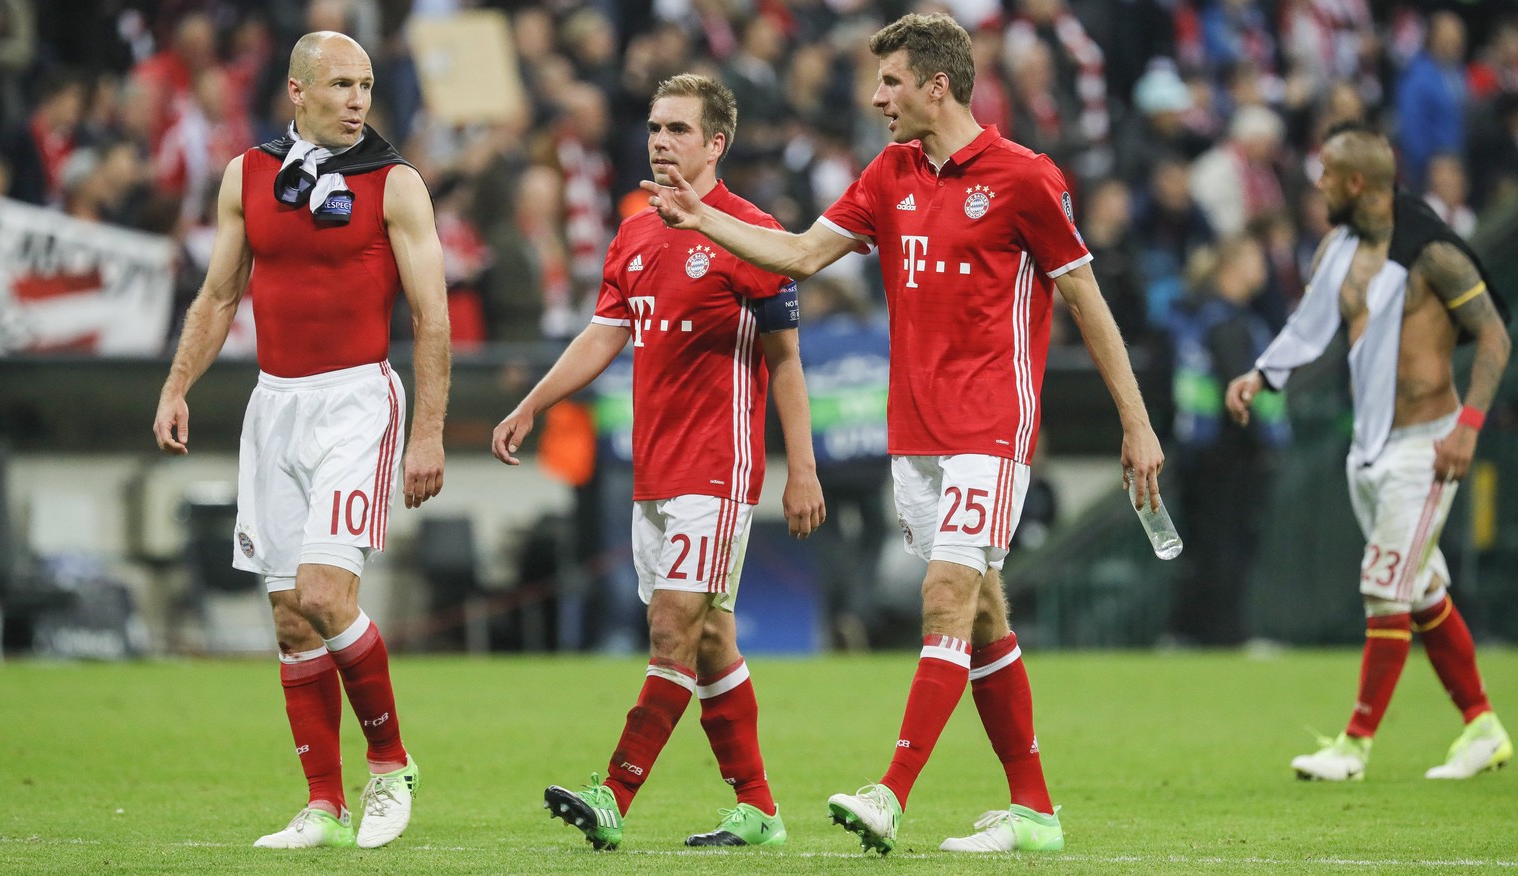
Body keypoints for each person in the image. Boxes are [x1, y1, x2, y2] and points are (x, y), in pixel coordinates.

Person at [642, 12, 1164, 855]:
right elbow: (803, 254)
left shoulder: (1028, 179)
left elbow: (1086, 302)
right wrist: (700, 219)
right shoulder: (890, 173)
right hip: (914, 432)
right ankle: (1033, 809)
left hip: (991, 425)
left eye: (889, 82)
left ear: (937, 85)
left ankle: (891, 793)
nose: (876, 97)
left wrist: (1135, 423)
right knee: (984, 613)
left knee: (945, 599)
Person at [492, 73, 825, 851]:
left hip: (719, 465)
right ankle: (758, 809)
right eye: (654, 127)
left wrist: (800, 467)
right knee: (710, 642)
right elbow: (603, 334)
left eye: (679, 129)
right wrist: (534, 402)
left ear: (717, 144)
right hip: (655, 470)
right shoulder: (636, 232)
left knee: (672, 627)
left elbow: (786, 360)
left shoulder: (750, 232)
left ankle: (613, 794)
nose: (661, 141)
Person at [152, 31, 449, 849]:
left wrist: (428, 432)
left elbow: (432, 317)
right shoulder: (247, 175)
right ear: (297, 90)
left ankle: (390, 765)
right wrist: (178, 386)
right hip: (274, 405)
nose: (358, 99)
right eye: (342, 85)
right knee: (289, 618)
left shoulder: (396, 183)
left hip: (357, 401)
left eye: (366, 85)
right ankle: (323, 804)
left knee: (325, 595)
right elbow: (218, 295)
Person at [1226, 122, 1512, 782]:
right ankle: (1483, 727)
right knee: (1420, 589)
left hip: (1428, 446)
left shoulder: (1432, 251)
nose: (1318, 184)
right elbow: (1311, 325)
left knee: (1385, 587)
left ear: (1358, 184)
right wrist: (1263, 373)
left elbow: (1494, 336)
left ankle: (1353, 747)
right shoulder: (1338, 247)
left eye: (1327, 174)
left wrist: (1468, 426)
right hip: (1370, 446)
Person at [1166, 235, 1287, 646]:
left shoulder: (1196, 315)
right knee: (1228, 546)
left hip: (1197, 450)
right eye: (1257, 260)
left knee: (1203, 546)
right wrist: (1262, 446)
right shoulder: (1229, 323)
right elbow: (1239, 392)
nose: (1264, 270)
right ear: (1232, 267)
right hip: (1230, 453)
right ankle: (1226, 635)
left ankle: (1187, 632)